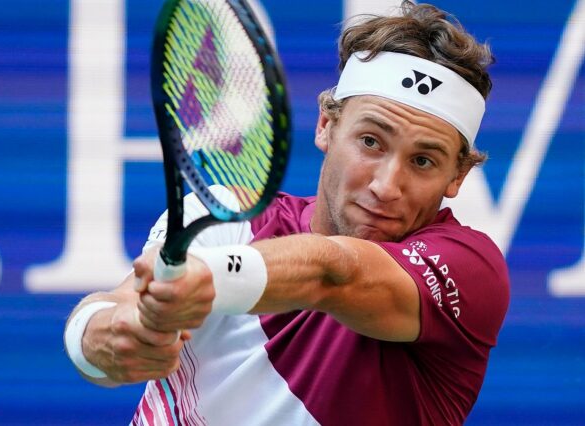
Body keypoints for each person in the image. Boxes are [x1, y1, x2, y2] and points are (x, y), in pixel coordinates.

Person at [64, 2, 510, 425]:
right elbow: (116, 312)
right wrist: (101, 337)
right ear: (326, 126)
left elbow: (335, 270)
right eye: (371, 142)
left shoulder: (472, 271)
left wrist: (212, 276)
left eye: (423, 161)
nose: (386, 185)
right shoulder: (225, 216)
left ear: (458, 175)